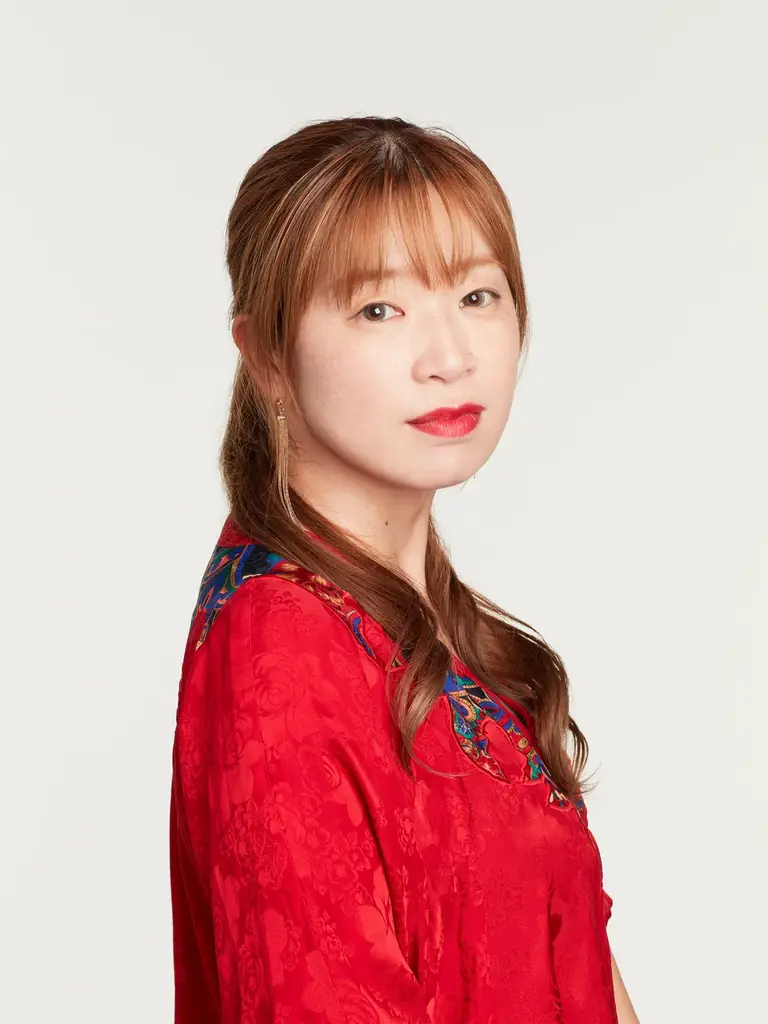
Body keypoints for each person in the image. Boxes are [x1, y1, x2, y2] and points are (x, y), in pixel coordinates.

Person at [169, 115, 640, 1024]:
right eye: (379, 309)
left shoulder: (438, 625)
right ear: (267, 355)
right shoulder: (284, 646)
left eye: (477, 295)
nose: (451, 358)